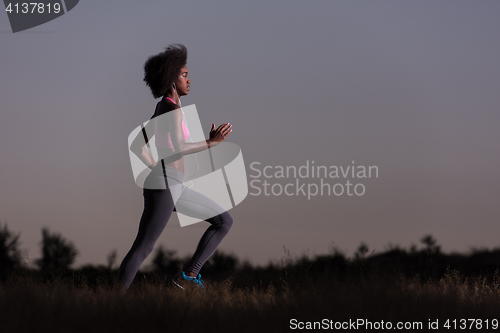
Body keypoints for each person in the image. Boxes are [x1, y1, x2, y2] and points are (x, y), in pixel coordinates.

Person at [116, 44, 233, 292]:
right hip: (167, 182)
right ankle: (111, 302)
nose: (189, 80)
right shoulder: (173, 108)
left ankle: (189, 275)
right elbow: (177, 147)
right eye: (184, 75)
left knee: (223, 221)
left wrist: (156, 170)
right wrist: (211, 143)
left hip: (171, 181)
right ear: (170, 78)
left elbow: (138, 145)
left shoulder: (162, 106)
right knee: (144, 247)